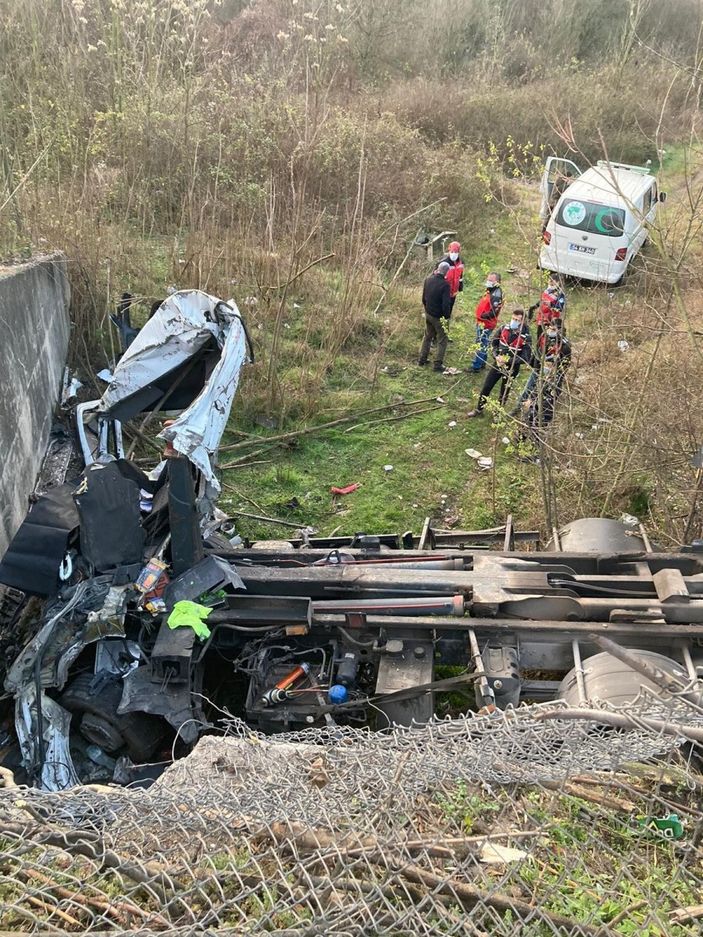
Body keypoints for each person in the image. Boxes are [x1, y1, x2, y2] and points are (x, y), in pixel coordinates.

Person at [467, 308, 531, 417]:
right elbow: (493, 343)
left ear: (522, 321)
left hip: (512, 369)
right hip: (498, 364)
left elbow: (526, 357)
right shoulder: (503, 328)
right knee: (487, 386)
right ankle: (479, 409)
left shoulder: (526, 337)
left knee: (504, 391)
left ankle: (498, 414)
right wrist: (496, 356)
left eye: (517, 320)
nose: (514, 321)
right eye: (513, 318)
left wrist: (508, 360)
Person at [513, 317, 571, 414]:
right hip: (539, 368)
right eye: (550, 328)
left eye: (554, 329)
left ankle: (536, 416)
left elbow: (565, 365)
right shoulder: (544, 335)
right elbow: (538, 350)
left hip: (552, 375)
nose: (551, 331)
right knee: (528, 388)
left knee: (543, 397)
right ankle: (518, 408)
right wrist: (535, 365)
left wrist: (554, 375)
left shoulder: (565, 346)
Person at [418, 261, 452, 372]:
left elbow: (424, 298)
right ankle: (437, 364)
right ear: (447, 272)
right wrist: (446, 317)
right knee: (442, 339)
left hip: (428, 314)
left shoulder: (428, 280)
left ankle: (422, 359)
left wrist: (427, 309)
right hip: (439, 317)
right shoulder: (445, 285)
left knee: (427, 336)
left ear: (438, 269)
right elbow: (446, 304)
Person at [470, 272, 504, 372]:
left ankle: (476, 366)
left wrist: (482, 315)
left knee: (481, 343)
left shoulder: (496, 295)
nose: (488, 281)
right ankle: (482, 363)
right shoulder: (490, 290)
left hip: (486, 323)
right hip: (482, 322)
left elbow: (493, 312)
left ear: (497, 282)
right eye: (488, 279)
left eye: (491, 280)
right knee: (483, 342)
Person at [528, 276, 566, 341]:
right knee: (539, 335)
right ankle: (538, 349)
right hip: (542, 316)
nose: (550, 283)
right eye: (549, 281)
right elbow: (542, 300)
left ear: (558, 282)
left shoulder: (560, 294)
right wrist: (534, 307)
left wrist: (551, 304)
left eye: (553, 282)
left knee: (548, 336)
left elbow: (560, 307)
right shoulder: (547, 290)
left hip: (551, 319)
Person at [438, 241, 464, 315]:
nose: (453, 254)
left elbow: (460, 277)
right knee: (442, 310)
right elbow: (437, 278)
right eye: (452, 251)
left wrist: (461, 290)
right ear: (449, 251)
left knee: (449, 309)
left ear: (458, 252)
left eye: (455, 252)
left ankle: (447, 320)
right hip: (444, 292)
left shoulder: (461, 263)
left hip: (454, 292)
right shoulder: (443, 263)